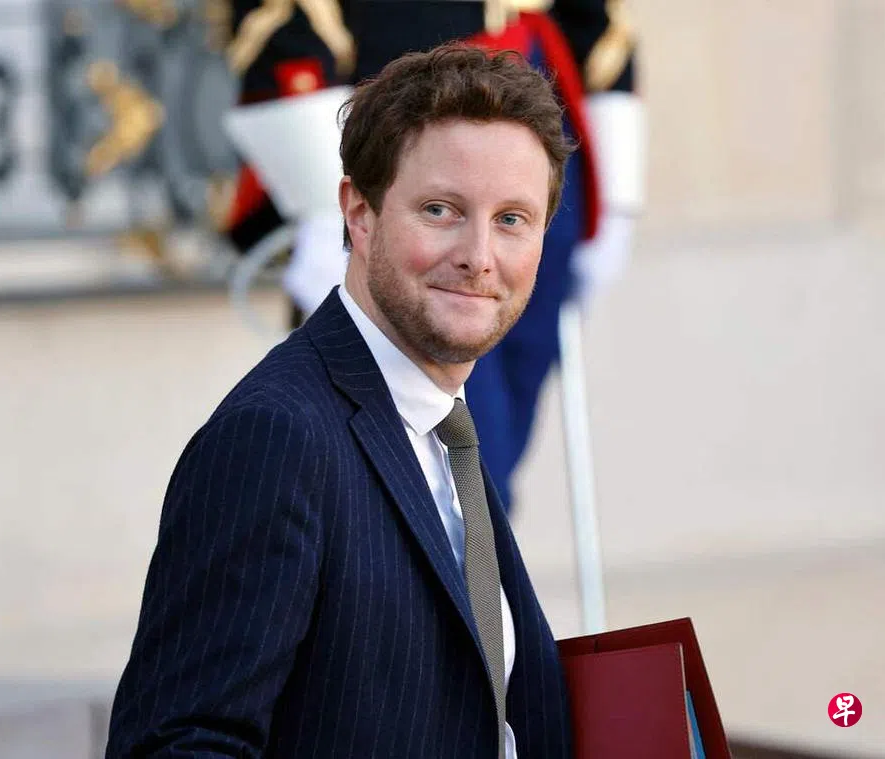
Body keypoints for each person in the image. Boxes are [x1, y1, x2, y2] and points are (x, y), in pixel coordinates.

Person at [105, 44, 575, 759]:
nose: (479, 256)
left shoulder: (444, 429)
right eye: (441, 210)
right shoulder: (275, 438)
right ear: (359, 213)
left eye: (512, 219)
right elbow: (178, 744)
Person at [229, 0, 644, 514]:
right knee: (435, 451)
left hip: (542, 95)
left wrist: (616, 181)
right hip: (407, 109)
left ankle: (472, 556)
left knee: (499, 437)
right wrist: (316, 188)